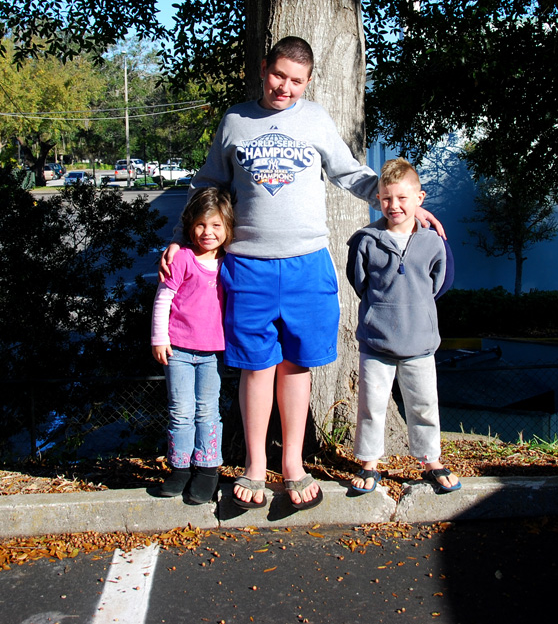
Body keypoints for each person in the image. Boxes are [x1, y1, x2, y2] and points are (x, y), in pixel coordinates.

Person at [161, 36, 443, 510]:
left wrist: (405, 207)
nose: (284, 87)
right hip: (247, 266)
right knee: (255, 369)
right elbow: (208, 184)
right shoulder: (235, 121)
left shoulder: (314, 120)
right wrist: (178, 234)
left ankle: (292, 464)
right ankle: (253, 467)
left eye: (295, 81)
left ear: (307, 82)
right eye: (277, 76)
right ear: (263, 68)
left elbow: (353, 174)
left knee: (296, 366)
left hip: (307, 265)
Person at [345, 158, 460, 495]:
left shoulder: (433, 241)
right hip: (376, 343)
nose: (393, 205)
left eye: (402, 198)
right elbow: (360, 282)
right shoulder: (365, 240)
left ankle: (430, 461)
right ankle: (368, 463)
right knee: (371, 405)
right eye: (386, 199)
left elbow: (442, 282)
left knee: (424, 404)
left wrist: (417, 308)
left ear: (419, 199)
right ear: (377, 199)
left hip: (420, 343)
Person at [151, 187, 235, 505]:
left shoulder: (230, 263)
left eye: (215, 225)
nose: (207, 232)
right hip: (179, 351)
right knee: (180, 412)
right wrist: (159, 338)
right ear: (190, 227)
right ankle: (180, 468)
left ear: (227, 227)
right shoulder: (183, 258)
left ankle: (207, 469)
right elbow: (164, 298)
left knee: (207, 411)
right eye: (200, 225)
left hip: (212, 352)